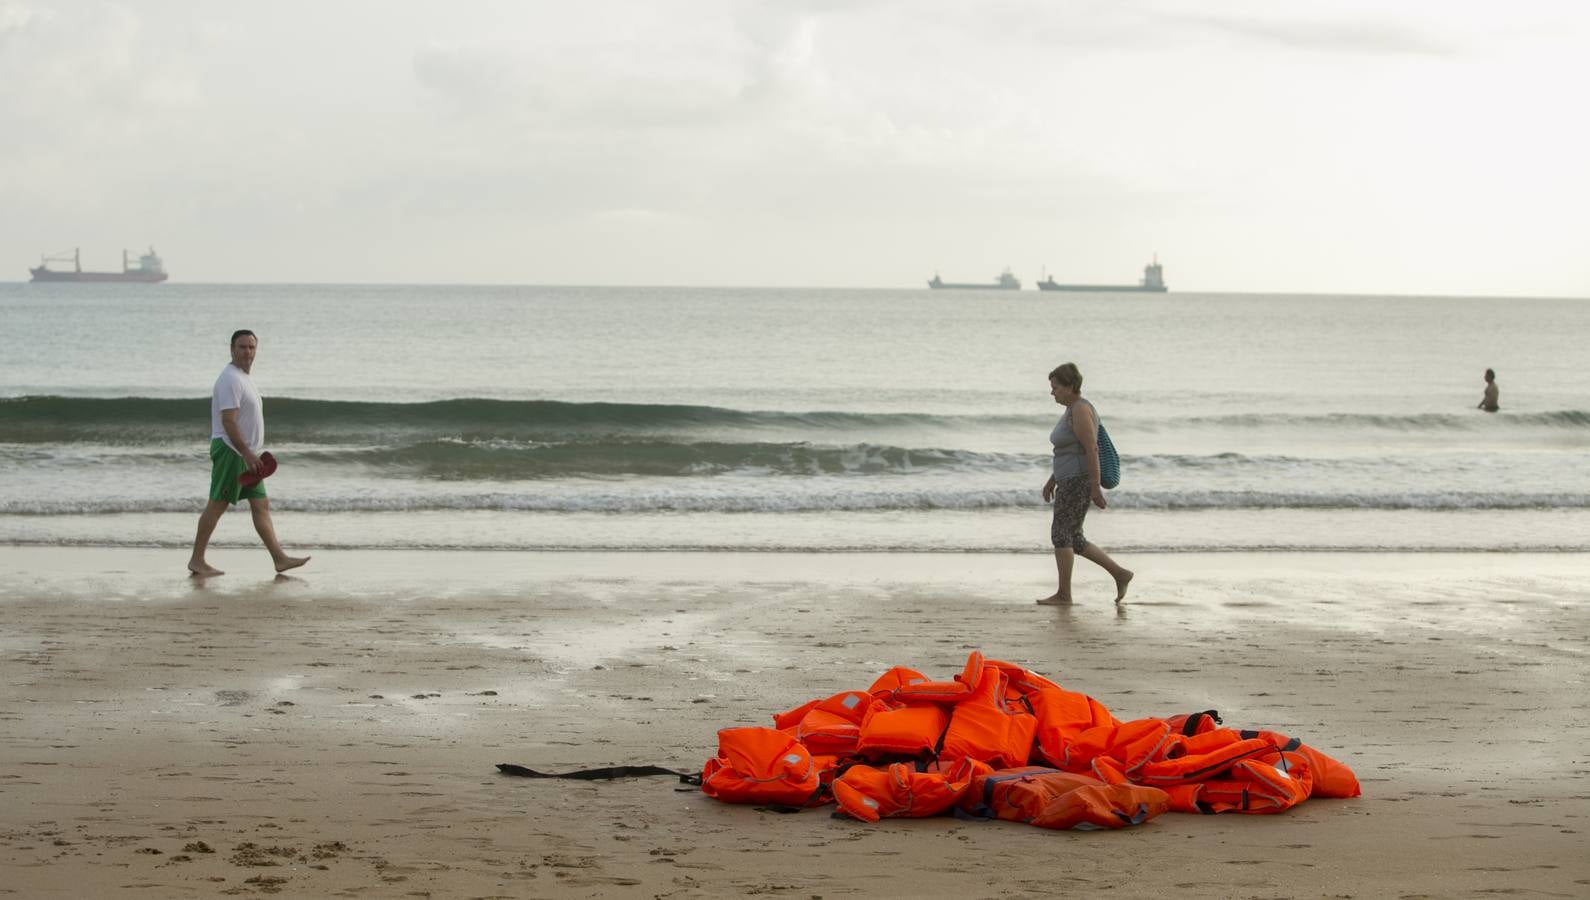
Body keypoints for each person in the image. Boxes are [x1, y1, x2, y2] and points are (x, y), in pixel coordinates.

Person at [187, 330, 310, 577]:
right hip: (232, 451)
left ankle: (279, 559)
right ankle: (197, 560)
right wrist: (246, 453)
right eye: (242, 347)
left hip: (246, 454)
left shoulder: (244, 378)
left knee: (261, 505)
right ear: (232, 349)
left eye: (252, 347)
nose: (248, 352)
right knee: (217, 504)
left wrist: (252, 453)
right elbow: (229, 422)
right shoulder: (229, 379)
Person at [1037, 362, 1132, 605]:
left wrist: (1094, 487)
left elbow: (1091, 449)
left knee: (1061, 534)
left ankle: (1064, 595)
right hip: (1069, 480)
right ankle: (1120, 574)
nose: (1052, 392)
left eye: (1056, 387)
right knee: (1074, 538)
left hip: (1078, 481)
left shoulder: (1080, 410)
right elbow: (1070, 451)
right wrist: (1052, 479)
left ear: (1070, 386)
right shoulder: (1072, 409)